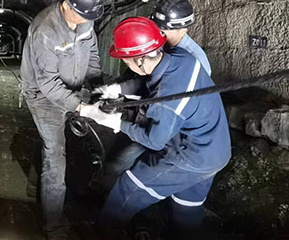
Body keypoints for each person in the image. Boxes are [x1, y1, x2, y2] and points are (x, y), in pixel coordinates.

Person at [91, 17, 231, 234]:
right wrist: (116, 89)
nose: (126, 64)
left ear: (139, 60)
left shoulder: (168, 101)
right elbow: (148, 79)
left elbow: (154, 140)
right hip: (216, 151)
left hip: (190, 157)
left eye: (126, 61)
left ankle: (101, 234)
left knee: (129, 187)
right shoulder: (181, 57)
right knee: (186, 206)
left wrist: (116, 123)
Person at [20, 0, 109, 238]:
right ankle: (53, 224)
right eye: (82, 16)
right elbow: (48, 84)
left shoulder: (86, 20)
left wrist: (98, 87)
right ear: (67, 4)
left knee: (57, 143)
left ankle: (36, 183)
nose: (87, 22)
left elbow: (92, 56)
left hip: (72, 90)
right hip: (42, 96)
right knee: (56, 154)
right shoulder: (45, 31)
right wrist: (82, 108)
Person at [98, 0, 211, 183]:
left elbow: (177, 111)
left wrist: (120, 122)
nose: (158, 32)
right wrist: (119, 89)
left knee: (125, 160)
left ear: (183, 29)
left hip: (162, 124)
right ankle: (107, 183)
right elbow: (141, 78)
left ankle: (113, 188)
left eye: (163, 29)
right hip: (142, 111)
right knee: (117, 156)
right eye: (156, 26)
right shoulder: (157, 43)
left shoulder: (195, 60)